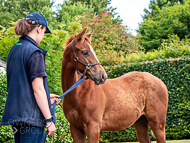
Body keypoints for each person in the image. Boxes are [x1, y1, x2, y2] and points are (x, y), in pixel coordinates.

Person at [0, 12, 61, 143]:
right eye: (44, 32)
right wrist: (49, 121)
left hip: (16, 119)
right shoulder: (35, 52)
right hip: (32, 121)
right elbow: (38, 90)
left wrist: (46, 97)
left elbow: (20, 85)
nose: (43, 36)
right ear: (39, 28)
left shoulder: (14, 50)